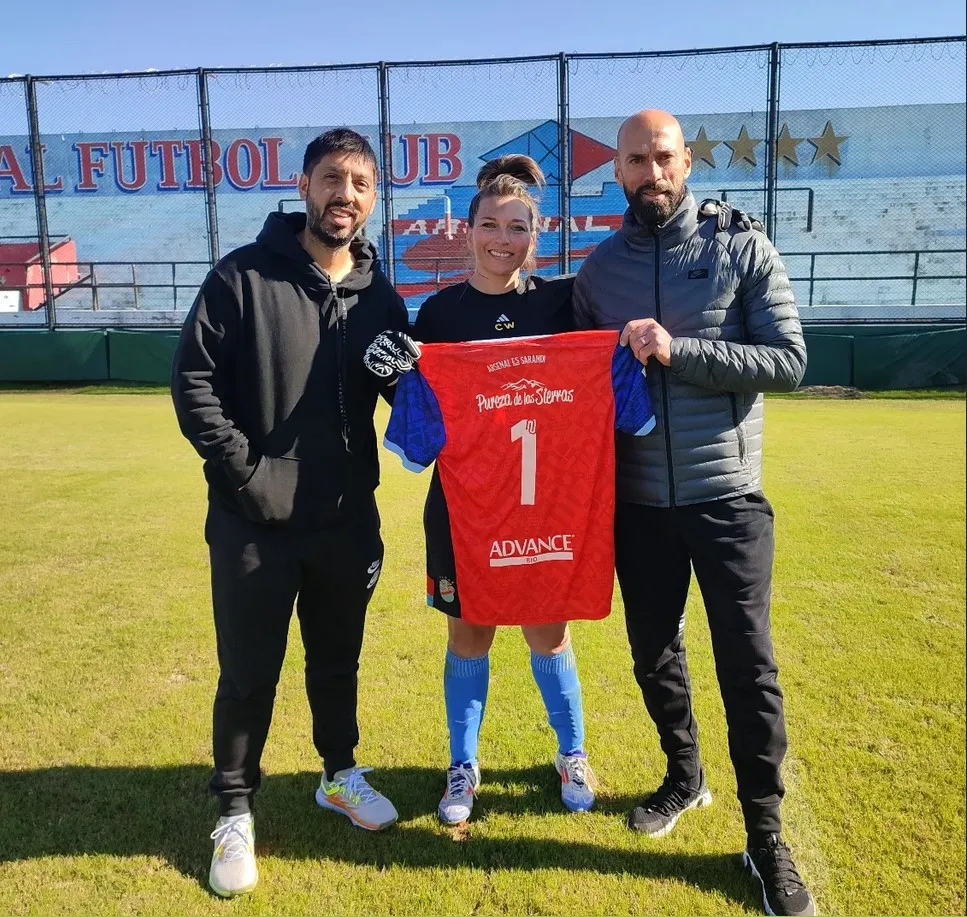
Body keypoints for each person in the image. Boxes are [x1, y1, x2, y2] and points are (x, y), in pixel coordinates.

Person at [573, 110, 815, 917]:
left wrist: (680, 349)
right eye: (636, 160)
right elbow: (573, 383)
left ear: (687, 163)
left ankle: (764, 834)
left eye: (664, 157)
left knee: (747, 668)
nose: (652, 172)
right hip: (637, 506)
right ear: (617, 171)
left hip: (727, 500)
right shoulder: (597, 270)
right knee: (652, 653)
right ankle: (685, 775)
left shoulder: (739, 246)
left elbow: (787, 360)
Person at [171, 128, 416, 898]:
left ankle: (338, 772)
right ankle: (235, 806)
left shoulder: (379, 292)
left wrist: (411, 381)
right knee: (248, 671)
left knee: (336, 660)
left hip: (346, 517)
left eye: (361, 184)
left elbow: (404, 396)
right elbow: (194, 384)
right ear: (304, 184)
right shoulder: (241, 275)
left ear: (373, 199)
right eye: (332, 179)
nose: (345, 195)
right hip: (253, 519)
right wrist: (245, 472)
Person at [402, 155, 598, 824]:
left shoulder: (561, 302)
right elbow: (415, 411)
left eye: (517, 227)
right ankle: (463, 763)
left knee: (548, 631)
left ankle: (571, 751)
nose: (501, 239)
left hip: (544, 502)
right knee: (470, 634)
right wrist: (390, 371)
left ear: (534, 236)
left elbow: (630, 291)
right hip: (464, 507)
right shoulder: (437, 315)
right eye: (489, 224)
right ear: (467, 231)